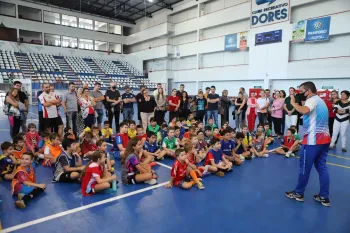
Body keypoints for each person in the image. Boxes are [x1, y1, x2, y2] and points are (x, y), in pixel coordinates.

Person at [285, 81, 331, 207]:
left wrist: (293, 102)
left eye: (301, 91)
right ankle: (324, 196)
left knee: (304, 168)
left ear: (308, 91)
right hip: (324, 140)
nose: (300, 94)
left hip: (313, 141)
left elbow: (304, 111)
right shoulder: (321, 101)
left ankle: (299, 193)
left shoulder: (312, 100)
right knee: (322, 167)